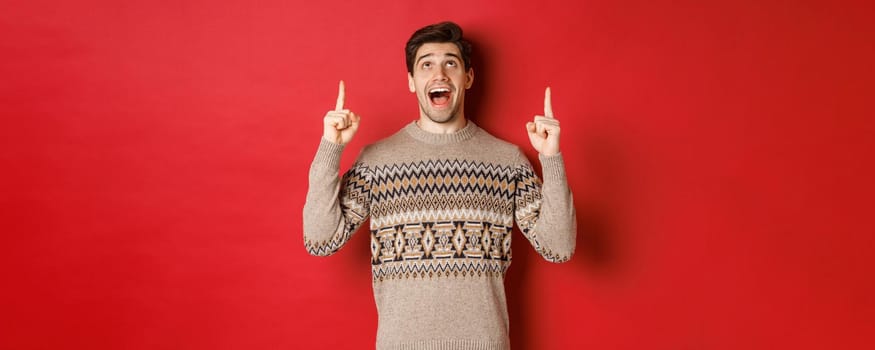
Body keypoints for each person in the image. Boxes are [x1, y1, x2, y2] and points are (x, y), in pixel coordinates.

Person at [303, 21, 576, 350]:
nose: (440, 74)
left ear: (468, 78)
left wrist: (551, 157)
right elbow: (319, 240)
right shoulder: (377, 161)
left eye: (451, 63)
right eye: (426, 64)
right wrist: (330, 147)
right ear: (411, 81)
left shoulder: (506, 161)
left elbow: (559, 248)